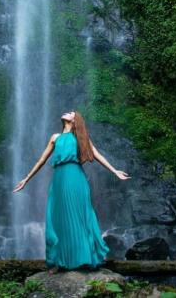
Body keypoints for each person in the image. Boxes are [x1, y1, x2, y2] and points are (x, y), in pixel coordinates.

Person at [12, 110, 130, 273]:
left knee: (79, 217)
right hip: (59, 180)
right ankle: (60, 262)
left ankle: (84, 259)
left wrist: (115, 170)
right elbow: (41, 160)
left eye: (70, 113)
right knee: (59, 218)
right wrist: (26, 179)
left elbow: (96, 155)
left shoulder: (80, 138)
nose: (66, 113)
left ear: (75, 121)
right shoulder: (55, 137)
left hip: (76, 179)